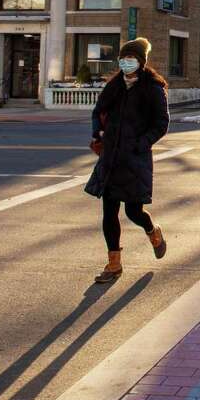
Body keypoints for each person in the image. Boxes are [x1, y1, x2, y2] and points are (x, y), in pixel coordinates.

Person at [85, 37, 170, 284]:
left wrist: (140, 144)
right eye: (123, 59)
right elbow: (97, 112)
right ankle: (114, 264)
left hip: (134, 160)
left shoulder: (153, 88)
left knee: (134, 212)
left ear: (141, 62)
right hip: (111, 158)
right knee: (109, 212)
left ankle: (153, 232)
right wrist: (97, 132)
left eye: (130, 59)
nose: (126, 63)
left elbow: (161, 124)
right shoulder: (113, 86)